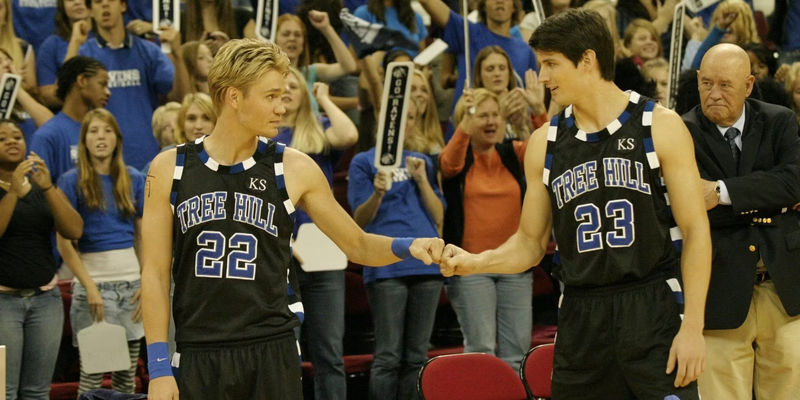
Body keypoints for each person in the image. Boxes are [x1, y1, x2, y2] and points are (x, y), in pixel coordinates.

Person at [140, 38, 444, 400]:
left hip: (273, 345)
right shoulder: (168, 168)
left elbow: (358, 244)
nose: (281, 108)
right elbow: (155, 274)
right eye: (270, 96)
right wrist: (158, 367)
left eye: (283, 96)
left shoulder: (294, 167)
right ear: (234, 97)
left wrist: (411, 245)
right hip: (197, 349)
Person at [440, 9, 711, 399]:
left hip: (653, 309)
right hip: (582, 316)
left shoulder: (660, 126)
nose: (543, 77)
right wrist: (475, 261)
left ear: (587, 60)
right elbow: (530, 244)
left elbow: (697, 231)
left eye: (551, 64)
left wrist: (693, 328)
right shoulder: (543, 143)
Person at [681, 43, 800, 400]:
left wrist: (720, 192)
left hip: (784, 289)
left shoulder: (779, 120)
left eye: (725, 85)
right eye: (707, 84)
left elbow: (793, 182)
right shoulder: (680, 131)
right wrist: (768, 199)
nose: (714, 94)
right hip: (718, 291)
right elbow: (686, 206)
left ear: (748, 85)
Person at [348, 99, 445, 399]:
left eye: (412, 118)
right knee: (388, 355)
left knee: (417, 356)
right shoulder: (364, 162)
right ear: (384, 123)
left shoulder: (422, 161)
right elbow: (358, 220)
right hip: (386, 264)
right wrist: (377, 194)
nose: (406, 125)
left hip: (425, 263)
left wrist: (421, 181)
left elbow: (439, 216)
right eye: (400, 120)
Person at [273, 67, 357, 400]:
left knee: (329, 353)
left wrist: (322, 98)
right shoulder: (261, 138)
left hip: (321, 248)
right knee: (284, 352)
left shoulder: (317, 132)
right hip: (279, 253)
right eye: (281, 87)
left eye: (295, 86)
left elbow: (348, 135)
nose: (288, 91)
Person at [440, 88, 531, 370]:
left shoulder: (513, 152)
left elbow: (548, 151)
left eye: (495, 114)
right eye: (483, 116)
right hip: (471, 268)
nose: (491, 121)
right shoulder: (459, 158)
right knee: (481, 353)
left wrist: (538, 111)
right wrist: (465, 123)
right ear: (467, 121)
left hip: (514, 267)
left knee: (517, 354)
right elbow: (448, 163)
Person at [56, 108, 146, 395]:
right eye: (93, 131)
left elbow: (144, 236)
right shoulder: (71, 181)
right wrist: (90, 287)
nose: (101, 137)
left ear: (117, 138)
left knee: (126, 380)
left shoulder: (133, 178)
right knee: (92, 380)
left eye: (107, 130)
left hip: (132, 287)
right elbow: (64, 244)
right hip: (94, 287)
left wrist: (146, 280)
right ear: (84, 141)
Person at [0, 120, 83, 400]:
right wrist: (12, 191)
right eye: (2, 138)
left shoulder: (40, 189)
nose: (12, 141)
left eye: (17, 136)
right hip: (4, 303)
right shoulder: (7, 191)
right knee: (5, 391)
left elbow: (74, 230)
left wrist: (48, 188)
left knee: (37, 392)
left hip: (45, 301)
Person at [65, 0, 187, 170]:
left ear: (123, 6)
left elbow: (178, 97)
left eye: (111, 0)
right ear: (91, 11)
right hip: (102, 159)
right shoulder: (85, 53)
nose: (105, 5)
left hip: (147, 155)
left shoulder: (148, 51)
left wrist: (178, 55)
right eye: (98, 2)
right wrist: (75, 43)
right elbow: (65, 95)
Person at [417, 0, 538, 115]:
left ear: (514, 6)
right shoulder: (466, 32)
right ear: (483, 5)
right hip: (466, 128)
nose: (500, 1)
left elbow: (534, 99)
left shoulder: (526, 51)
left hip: (512, 132)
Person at [30, 56, 109, 183]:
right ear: (82, 80)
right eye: (102, 84)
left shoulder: (106, 133)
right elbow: (37, 192)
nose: (108, 92)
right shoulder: (46, 136)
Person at [274, 11, 357, 114]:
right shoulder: (265, 75)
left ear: (303, 44)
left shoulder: (310, 72)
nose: (292, 38)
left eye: (298, 35)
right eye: (286, 34)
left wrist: (326, 28)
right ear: (274, 39)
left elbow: (349, 67)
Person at [36, 0, 91, 108]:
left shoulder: (105, 38)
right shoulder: (51, 45)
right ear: (62, 6)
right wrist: (74, 44)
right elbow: (47, 97)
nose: (77, 2)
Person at [353, 0, 428, 57]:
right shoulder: (363, 14)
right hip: (377, 75)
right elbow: (356, 61)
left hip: (412, 74)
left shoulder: (416, 18)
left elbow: (422, 59)